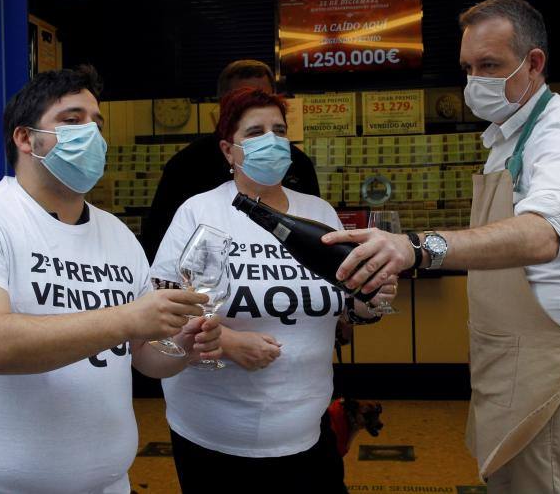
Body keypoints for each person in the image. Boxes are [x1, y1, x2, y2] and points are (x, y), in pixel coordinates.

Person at [323, 0, 560, 493]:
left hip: (553, 370)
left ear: (534, 63)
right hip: (505, 361)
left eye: (490, 65)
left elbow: (541, 233)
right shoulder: (506, 137)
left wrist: (417, 247)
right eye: (467, 68)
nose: (474, 81)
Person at [0, 66, 221, 494]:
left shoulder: (117, 235)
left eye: (97, 123)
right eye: (72, 120)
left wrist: (183, 344)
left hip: (108, 483)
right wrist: (133, 318)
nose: (92, 134)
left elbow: (145, 358)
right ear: (25, 139)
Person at [149, 87, 396, 493]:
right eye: (256, 131)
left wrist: (372, 301)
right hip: (213, 438)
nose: (272, 141)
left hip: (307, 433)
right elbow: (163, 304)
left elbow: (346, 308)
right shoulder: (199, 211)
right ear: (229, 151)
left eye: (279, 130)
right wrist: (226, 341)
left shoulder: (318, 212)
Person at [142, 59, 319, 263]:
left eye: (263, 95)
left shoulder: (299, 163)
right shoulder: (187, 166)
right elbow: (159, 238)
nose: (255, 102)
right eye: (243, 95)